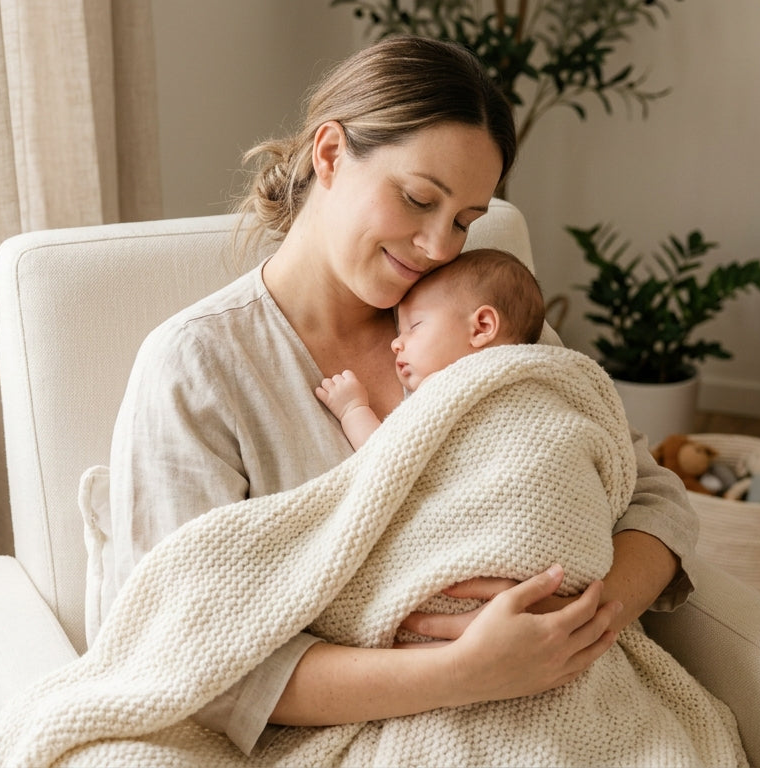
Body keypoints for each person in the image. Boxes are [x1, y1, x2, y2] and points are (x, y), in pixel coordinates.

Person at [108, 35, 698, 755]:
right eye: (419, 199)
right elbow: (196, 656)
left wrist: (570, 628)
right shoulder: (198, 367)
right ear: (329, 155)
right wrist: (465, 671)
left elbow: (653, 496)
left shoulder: (476, 324)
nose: (438, 246)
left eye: (463, 220)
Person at [317, 247, 544, 449]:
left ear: (481, 327)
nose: (395, 343)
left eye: (414, 326)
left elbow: (388, 457)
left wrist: (353, 411)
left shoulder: (443, 387)